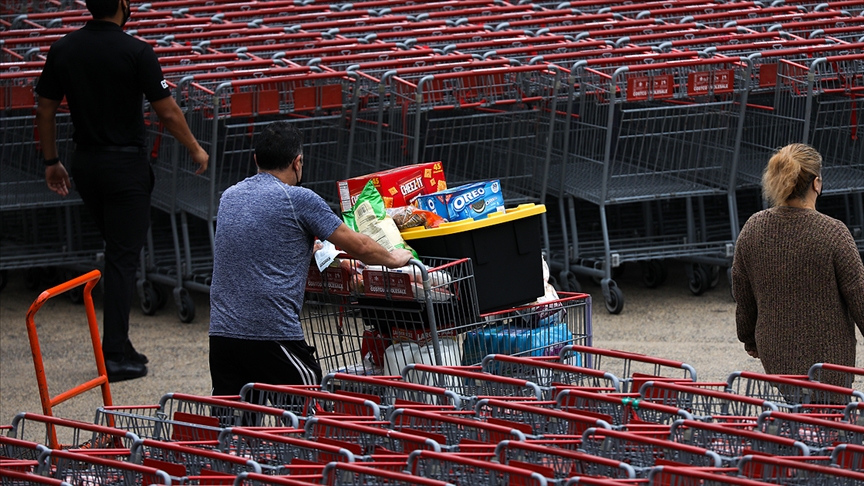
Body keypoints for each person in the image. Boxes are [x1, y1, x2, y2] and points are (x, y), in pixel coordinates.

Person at [35, 0, 209, 382]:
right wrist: (195, 148)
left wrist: (52, 161)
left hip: (86, 163)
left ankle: (121, 344)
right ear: (122, 6)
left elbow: (45, 108)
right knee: (121, 258)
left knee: (117, 251)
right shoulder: (136, 51)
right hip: (125, 167)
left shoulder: (63, 48)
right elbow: (166, 110)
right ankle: (113, 352)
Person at [208, 121, 412, 395]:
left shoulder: (229, 197)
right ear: (297, 162)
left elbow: (261, 239)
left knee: (235, 427)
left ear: (256, 159)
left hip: (222, 336)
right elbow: (359, 245)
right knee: (310, 411)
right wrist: (393, 258)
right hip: (271, 334)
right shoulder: (299, 199)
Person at [732, 143, 864, 388]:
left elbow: (743, 293)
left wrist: (749, 338)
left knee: (788, 421)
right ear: (816, 183)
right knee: (828, 421)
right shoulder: (833, 233)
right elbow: (859, 297)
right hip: (829, 363)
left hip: (775, 356)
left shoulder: (753, 228)